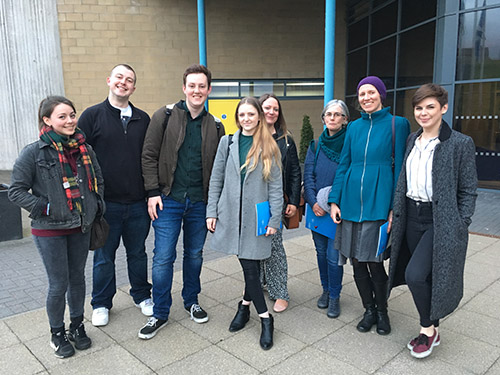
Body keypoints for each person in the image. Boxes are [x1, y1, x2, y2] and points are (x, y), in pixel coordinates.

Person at [9, 96, 104, 358]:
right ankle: (57, 333)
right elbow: (15, 191)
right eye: (62, 116)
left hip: (80, 226)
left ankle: (77, 326)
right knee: (58, 283)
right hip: (49, 229)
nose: (70, 120)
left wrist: (96, 205)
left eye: (72, 115)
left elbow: (97, 179)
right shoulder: (34, 152)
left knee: (78, 280)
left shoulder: (85, 149)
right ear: (47, 120)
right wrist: (48, 208)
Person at [388, 84, 477, 358]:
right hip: (411, 216)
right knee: (423, 275)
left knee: (415, 275)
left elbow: (468, 188)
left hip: (440, 221)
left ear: (443, 108)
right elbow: (404, 181)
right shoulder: (411, 141)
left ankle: (428, 330)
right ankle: (433, 324)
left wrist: (461, 222)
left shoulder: (460, 143)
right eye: (419, 107)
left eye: (430, 107)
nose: (423, 113)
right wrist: (396, 211)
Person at [139, 64, 225, 339]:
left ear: (209, 90)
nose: (197, 90)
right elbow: (149, 155)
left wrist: (215, 206)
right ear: (184, 88)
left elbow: (219, 168)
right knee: (163, 257)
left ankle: (192, 301)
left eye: (202, 86)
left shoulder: (216, 126)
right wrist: (152, 192)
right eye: (192, 85)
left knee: (195, 255)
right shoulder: (164, 116)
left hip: (199, 203)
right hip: (168, 200)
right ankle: (160, 312)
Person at [328, 76, 410, 335]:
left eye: (371, 92)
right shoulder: (352, 128)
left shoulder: (398, 124)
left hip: (379, 202)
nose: (366, 97)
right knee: (356, 261)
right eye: (362, 93)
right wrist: (334, 201)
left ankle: (383, 312)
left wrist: (394, 208)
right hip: (350, 204)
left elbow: (401, 172)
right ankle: (369, 310)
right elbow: (344, 165)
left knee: (375, 262)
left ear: (381, 95)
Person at [78, 64, 153, 327]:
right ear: (109, 80)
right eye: (119, 77)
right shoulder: (92, 116)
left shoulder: (143, 119)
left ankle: (142, 296)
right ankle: (100, 303)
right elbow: (79, 157)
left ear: (134, 87)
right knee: (103, 257)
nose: (123, 82)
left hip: (137, 204)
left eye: (129, 79)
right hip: (105, 205)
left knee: (138, 254)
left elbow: (150, 158)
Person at [206, 96, 283, 350]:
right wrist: (211, 211)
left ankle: (263, 317)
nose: (246, 119)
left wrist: (275, 219)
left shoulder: (269, 146)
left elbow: (275, 188)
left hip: (257, 217)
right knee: (249, 265)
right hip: (230, 215)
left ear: (259, 117)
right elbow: (216, 179)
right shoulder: (227, 143)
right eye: (242, 115)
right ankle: (247, 308)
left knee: (251, 266)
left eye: (251, 114)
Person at [303, 99, 348, 318]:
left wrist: (332, 204)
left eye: (337, 114)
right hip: (316, 209)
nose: (332, 118)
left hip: (337, 210)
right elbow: (308, 175)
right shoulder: (315, 145)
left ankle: (335, 296)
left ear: (345, 119)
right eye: (328, 114)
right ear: (323, 118)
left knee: (334, 256)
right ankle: (325, 290)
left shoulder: (350, 145)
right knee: (320, 253)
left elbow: (348, 177)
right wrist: (313, 203)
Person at [258, 93, 301, 313]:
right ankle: (258, 286)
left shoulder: (286, 139)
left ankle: (280, 292)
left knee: (275, 248)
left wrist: (293, 200)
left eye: (275, 109)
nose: (271, 112)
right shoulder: (250, 136)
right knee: (254, 247)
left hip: (276, 202)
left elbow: (294, 172)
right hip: (254, 203)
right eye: (267, 108)